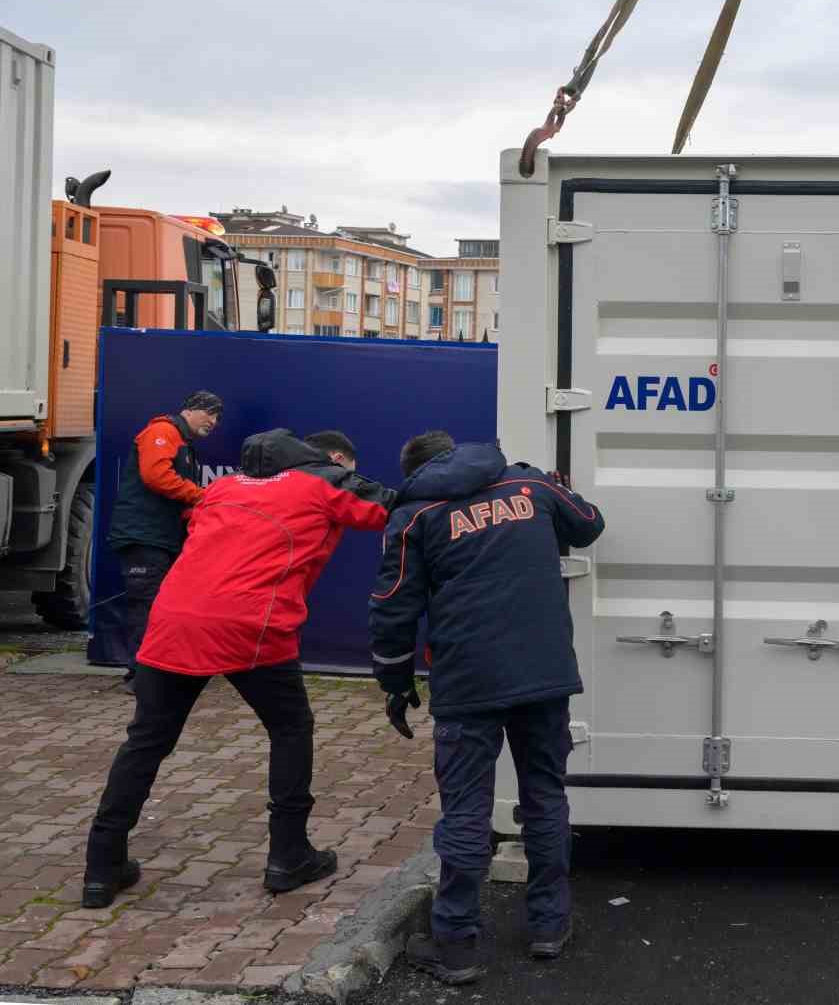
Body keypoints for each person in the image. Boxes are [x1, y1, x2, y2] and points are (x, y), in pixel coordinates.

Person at [82, 429, 394, 909]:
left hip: (174, 619)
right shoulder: (323, 484)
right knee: (290, 728)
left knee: (146, 741)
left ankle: (102, 867)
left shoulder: (224, 489)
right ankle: (288, 856)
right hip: (250, 624)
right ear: (331, 459)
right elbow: (392, 510)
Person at [368, 430, 604, 986]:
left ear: (416, 470)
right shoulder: (529, 482)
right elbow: (589, 524)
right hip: (544, 674)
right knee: (545, 796)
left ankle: (456, 945)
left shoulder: (416, 514)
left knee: (467, 810)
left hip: (467, 681)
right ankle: (549, 925)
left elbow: (391, 608)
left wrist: (396, 684)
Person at [106, 390, 224, 693]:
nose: (214, 421)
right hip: (145, 537)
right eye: (210, 413)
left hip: (160, 538)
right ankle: (140, 678)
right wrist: (201, 496)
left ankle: (155, 674)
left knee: (159, 606)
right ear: (191, 410)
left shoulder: (182, 441)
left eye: (217, 417)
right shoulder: (163, 431)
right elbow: (156, 476)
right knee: (147, 606)